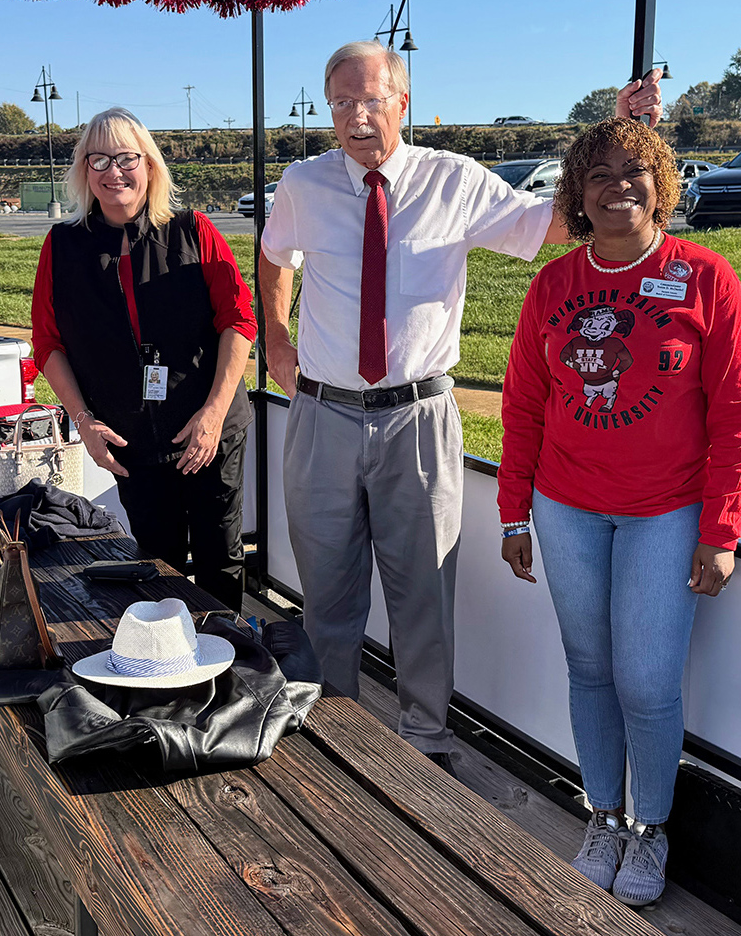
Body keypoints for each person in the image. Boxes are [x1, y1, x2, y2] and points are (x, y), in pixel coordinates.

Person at [259, 40, 663, 777]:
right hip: (322, 416)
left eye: (371, 100)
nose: (356, 117)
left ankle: (424, 743)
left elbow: (559, 224)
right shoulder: (302, 183)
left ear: (402, 102)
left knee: (423, 592)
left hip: (417, 417)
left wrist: (620, 137)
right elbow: (274, 256)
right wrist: (277, 339)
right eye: (342, 102)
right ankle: (334, 738)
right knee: (327, 593)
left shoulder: (453, 180)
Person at [498, 117, 741, 906]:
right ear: (578, 195)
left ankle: (650, 828)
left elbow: (738, 414)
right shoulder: (553, 286)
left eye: (634, 172)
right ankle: (603, 817)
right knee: (589, 669)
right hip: (566, 507)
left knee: (646, 682)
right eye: (599, 174)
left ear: (661, 185)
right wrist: (513, 514)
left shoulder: (705, 277)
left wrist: (721, 529)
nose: (618, 186)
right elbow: (524, 407)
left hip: (665, 511)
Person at [31, 107, 256, 611]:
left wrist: (214, 413)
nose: (114, 171)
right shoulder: (63, 246)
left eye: (126, 158)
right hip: (129, 438)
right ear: (84, 171)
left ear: (149, 165)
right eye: (99, 159)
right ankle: (165, 656)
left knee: (220, 558)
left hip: (207, 430)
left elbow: (239, 320)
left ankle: (226, 653)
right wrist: (83, 422)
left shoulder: (193, 229)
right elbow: (47, 343)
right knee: (157, 562)